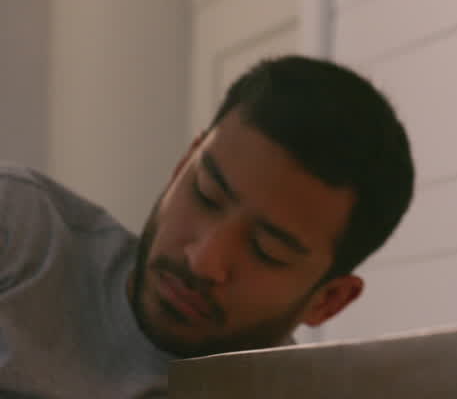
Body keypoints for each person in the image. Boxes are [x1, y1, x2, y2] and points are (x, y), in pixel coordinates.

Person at [0, 55, 415, 398]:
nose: (203, 260)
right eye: (205, 195)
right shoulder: (21, 229)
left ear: (328, 301)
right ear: (184, 165)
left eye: (267, 250)